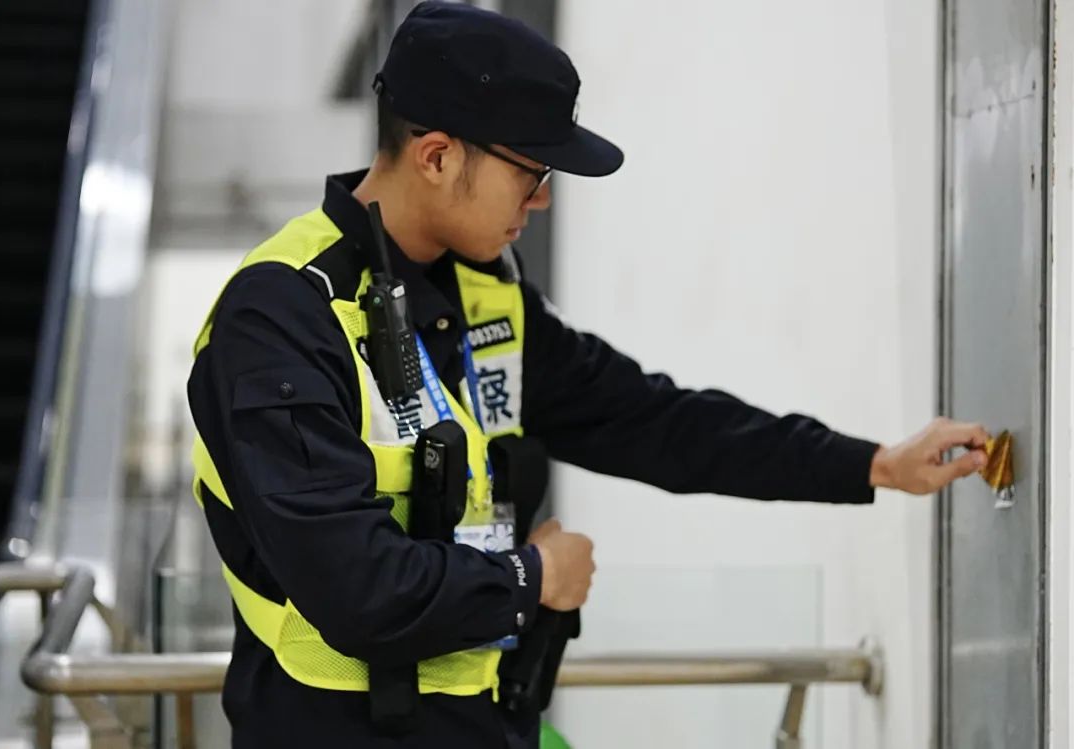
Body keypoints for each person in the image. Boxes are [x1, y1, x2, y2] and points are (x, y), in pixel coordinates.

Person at [185, 3, 990, 747]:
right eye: (531, 173)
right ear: (436, 156)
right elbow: (354, 587)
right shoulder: (282, 317)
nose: (540, 201)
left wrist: (873, 463)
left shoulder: (484, 297)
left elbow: (658, 422)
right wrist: (530, 578)